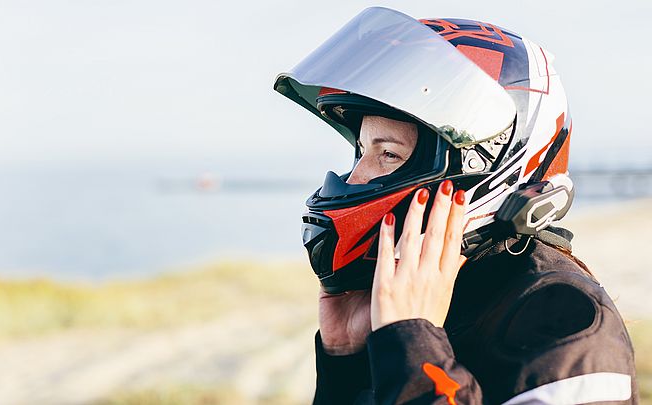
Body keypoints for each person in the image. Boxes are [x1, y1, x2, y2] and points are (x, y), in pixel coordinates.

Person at [273, 7, 639, 404]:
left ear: (478, 166)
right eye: (361, 151)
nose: (356, 177)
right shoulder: (421, 298)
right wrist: (345, 362)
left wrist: (414, 340)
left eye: (389, 155)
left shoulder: (564, 320)